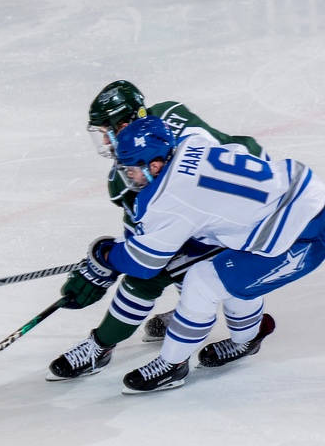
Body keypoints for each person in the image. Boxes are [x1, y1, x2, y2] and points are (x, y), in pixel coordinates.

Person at [73, 115, 325, 393]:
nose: (128, 175)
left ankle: (172, 365)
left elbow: (144, 263)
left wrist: (105, 256)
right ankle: (246, 340)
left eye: (131, 169)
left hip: (302, 234)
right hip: (300, 196)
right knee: (232, 277)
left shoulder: (168, 199)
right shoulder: (192, 142)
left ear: (155, 165)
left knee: (202, 283)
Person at [48, 81, 265, 381]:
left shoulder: (154, 169)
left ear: (123, 124)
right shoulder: (161, 123)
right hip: (211, 213)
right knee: (164, 267)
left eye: (105, 131)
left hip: (234, 220)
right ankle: (161, 324)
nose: (104, 142)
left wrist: (109, 262)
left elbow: (148, 256)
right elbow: (144, 236)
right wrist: (110, 262)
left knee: (151, 277)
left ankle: (105, 345)